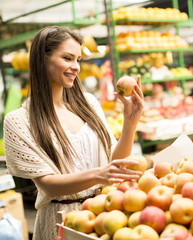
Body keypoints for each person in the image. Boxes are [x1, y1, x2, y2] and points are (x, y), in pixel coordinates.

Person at [3, 26, 144, 240]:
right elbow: (48, 185)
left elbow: (115, 163)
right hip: (59, 222)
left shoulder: (89, 104)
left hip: (103, 215)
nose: (76, 67)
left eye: (78, 60)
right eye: (68, 58)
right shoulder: (19, 121)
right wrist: (98, 175)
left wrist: (130, 122)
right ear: (42, 59)